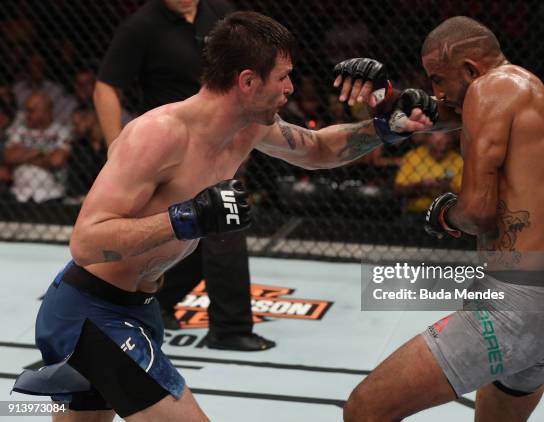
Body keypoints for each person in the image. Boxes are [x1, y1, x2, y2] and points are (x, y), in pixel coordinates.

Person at [13, 12, 434, 420]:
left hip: (136, 308)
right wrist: (186, 218)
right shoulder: (157, 135)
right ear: (247, 81)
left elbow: (318, 150)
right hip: (90, 313)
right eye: (282, 76)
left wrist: (383, 128)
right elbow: (85, 243)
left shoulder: (249, 127)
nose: (291, 87)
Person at [336, 16, 544, 422]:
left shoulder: (488, 89)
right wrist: (392, 97)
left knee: (364, 410)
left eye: (439, 78)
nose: (436, 91)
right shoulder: (523, 88)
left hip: (513, 307)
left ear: (470, 69)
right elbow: (450, 117)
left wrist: (446, 215)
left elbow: (479, 212)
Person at [94, 0, 273, 351]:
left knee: (219, 225)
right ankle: (229, 325)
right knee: (188, 229)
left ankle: (219, 322)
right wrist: (116, 148)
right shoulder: (141, 26)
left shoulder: (221, 15)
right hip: (170, 149)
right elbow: (106, 85)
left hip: (221, 140)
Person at [4, 90, 71, 203]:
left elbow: (56, 161)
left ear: (45, 112)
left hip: (51, 194)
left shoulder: (61, 131)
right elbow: (9, 156)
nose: (26, 115)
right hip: (18, 194)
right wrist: (41, 152)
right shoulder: (18, 130)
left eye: (31, 111)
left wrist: (22, 156)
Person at [395, 131, 463, 213]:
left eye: (447, 144)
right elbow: (399, 190)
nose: (442, 148)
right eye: (438, 143)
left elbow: (463, 196)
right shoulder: (413, 156)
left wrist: (446, 189)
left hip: (446, 213)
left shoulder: (459, 160)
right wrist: (421, 185)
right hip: (416, 213)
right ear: (428, 141)